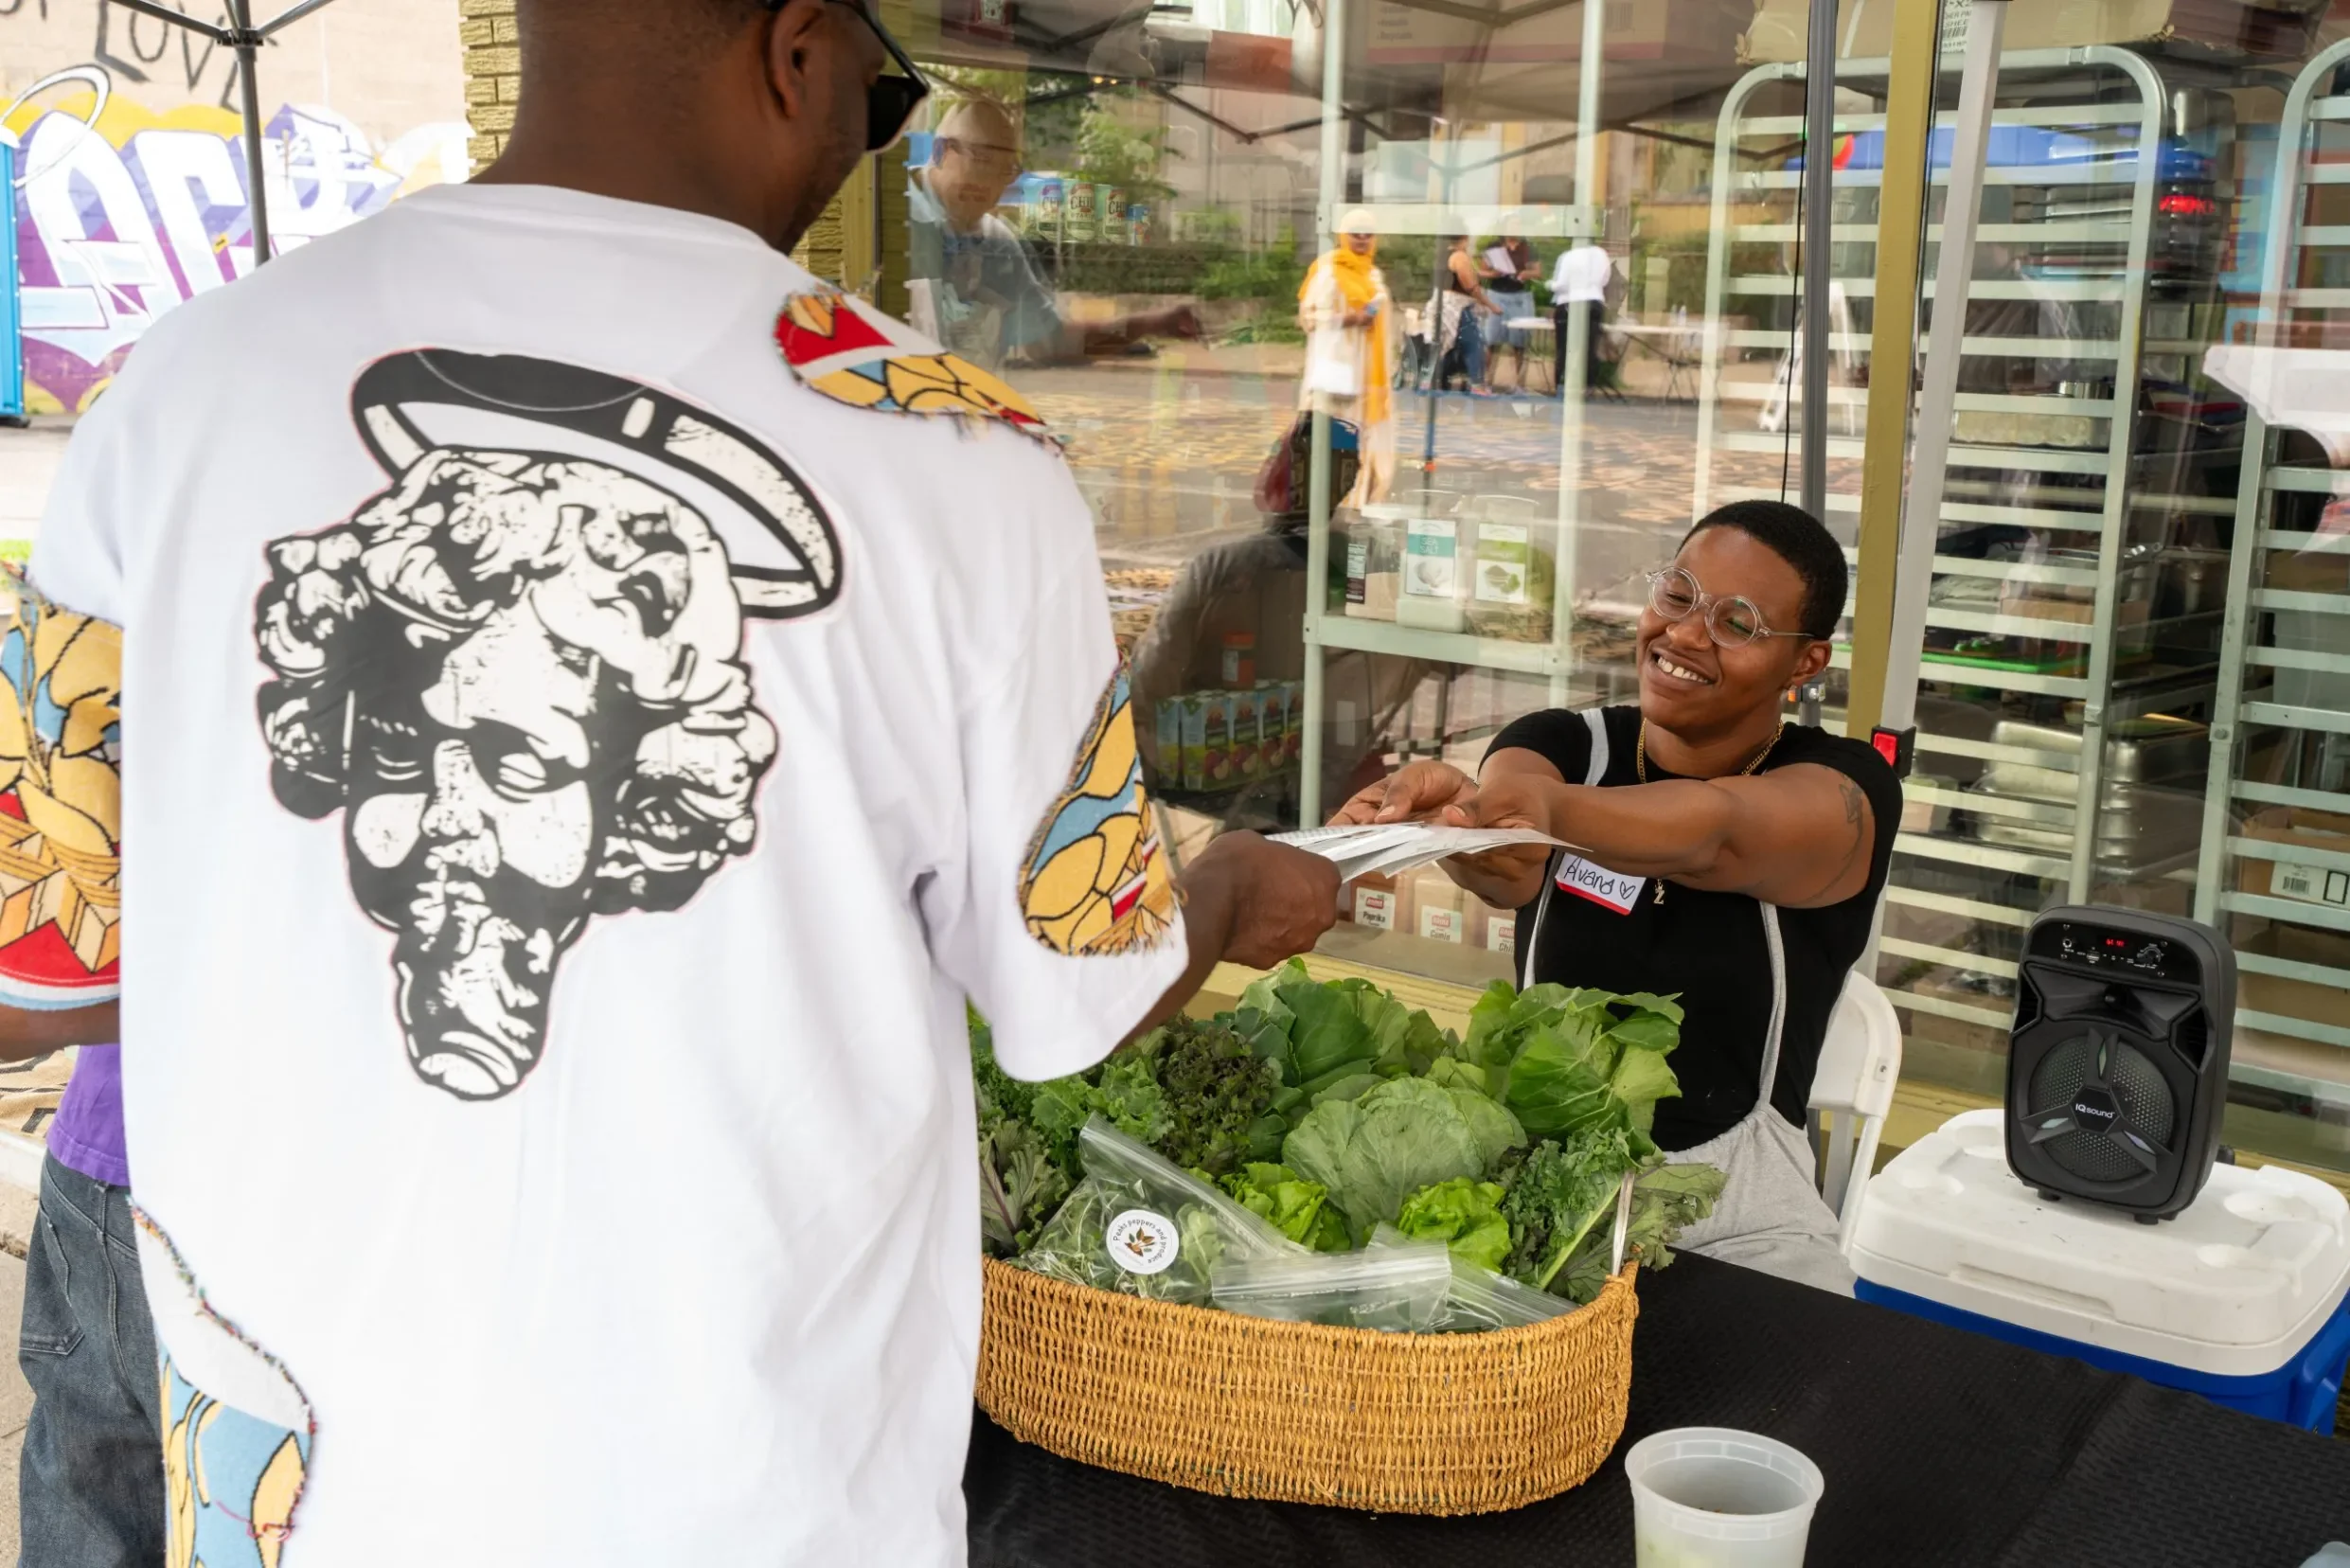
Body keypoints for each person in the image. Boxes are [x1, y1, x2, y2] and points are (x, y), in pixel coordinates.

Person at [17, 2, 1342, 1562]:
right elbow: (1080, 993)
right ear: (797, 58)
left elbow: (46, 973)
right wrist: (1234, 889)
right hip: (758, 1514)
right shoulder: (970, 469)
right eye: (883, 101)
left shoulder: (166, 395)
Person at [1331, 501, 1901, 1296]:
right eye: (1678, 595)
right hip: (1541, 1197)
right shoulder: (1564, 744)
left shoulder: (1844, 788)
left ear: (1805, 664)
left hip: (1738, 1221)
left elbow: (1717, 832)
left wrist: (1541, 813)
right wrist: (1450, 826)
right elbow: (1513, 865)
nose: (1687, 636)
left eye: (1737, 623)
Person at [0, 573, 161, 1567]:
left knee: (100, 1510)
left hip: (142, 1170)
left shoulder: (147, 461)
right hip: (447, 1200)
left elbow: (28, 995)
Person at [908, 96, 1199, 371]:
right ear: (940, 151)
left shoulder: (996, 244)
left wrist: (1150, 323)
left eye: (1003, 171)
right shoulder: (897, 214)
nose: (985, 183)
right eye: (978, 160)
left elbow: (1053, 343)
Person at [1296, 208, 1401, 508]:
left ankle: (1358, 499)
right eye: (1356, 234)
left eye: (1368, 235)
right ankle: (1325, 502)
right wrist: (1349, 318)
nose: (1362, 240)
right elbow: (1309, 317)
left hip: (1369, 373)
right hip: (1337, 373)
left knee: (1364, 439)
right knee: (1334, 436)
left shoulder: (1373, 274)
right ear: (1343, 236)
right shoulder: (1329, 270)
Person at [1429, 235, 1501, 394]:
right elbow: (1470, 286)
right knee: (1474, 343)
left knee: (1449, 344)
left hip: (1444, 302)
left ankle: (1435, 379)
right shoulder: (1459, 256)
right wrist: (1490, 305)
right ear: (1465, 239)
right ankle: (1477, 384)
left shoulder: (1443, 255)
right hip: (1456, 306)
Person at [1551, 238, 1616, 394]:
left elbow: (1562, 283)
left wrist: (1550, 285)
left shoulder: (1568, 256)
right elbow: (1605, 279)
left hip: (1569, 302)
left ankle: (1562, 384)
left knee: (1564, 347)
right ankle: (1588, 385)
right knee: (1590, 345)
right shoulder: (1601, 254)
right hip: (1594, 301)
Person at [1477, 233, 1540, 393]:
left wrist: (1527, 274)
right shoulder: (1494, 246)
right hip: (1497, 294)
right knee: (1491, 340)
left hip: (1519, 296)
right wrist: (1493, 274)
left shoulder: (1528, 247)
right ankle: (1486, 381)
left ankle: (1518, 384)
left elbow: (1538, 272)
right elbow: (1480, 272)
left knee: (1519, 342)